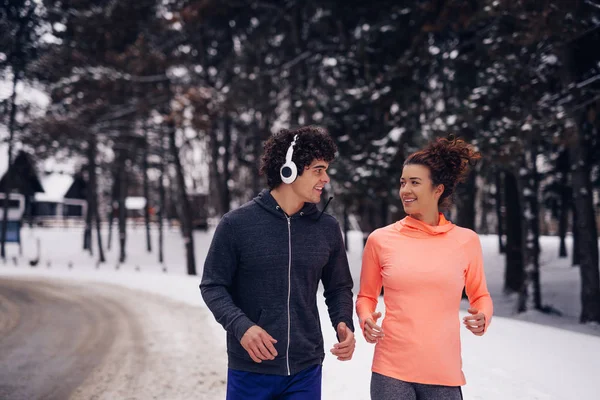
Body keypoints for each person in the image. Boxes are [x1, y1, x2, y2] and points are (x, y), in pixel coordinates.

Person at [201, 125, 356, 400]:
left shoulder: (327, 228)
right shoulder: (236, 224)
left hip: (305, 369)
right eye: (318, 169)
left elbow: (339, 287)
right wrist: (242, 326)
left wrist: (343, 321)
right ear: (289, 170)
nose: (326, 178)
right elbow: (213, 285)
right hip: (251, 367)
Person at [356, 135, 493, 400]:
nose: (405, 190)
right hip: (391, 371)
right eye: (402, 182)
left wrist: (483, 317)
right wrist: (365, 319)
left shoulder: (466, 241)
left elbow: (481, 296)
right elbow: (366, 297)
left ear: (438, 189)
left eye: (415, 182)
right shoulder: (381, 239)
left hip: (444, 372)